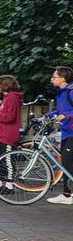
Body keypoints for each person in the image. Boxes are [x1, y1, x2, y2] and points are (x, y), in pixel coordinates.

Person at [45, 66, 73, 205]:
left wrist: (66, 115)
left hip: (72, 132)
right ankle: (67, 194)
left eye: (54, 77)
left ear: (62, 78)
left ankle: (68, 195)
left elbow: (67, 112)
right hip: (66, 132)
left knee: (67, 163)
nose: (52, 79)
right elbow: (61, 110)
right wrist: (47, 115)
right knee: (66, 163)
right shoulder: (61, 93)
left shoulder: (71, 92)